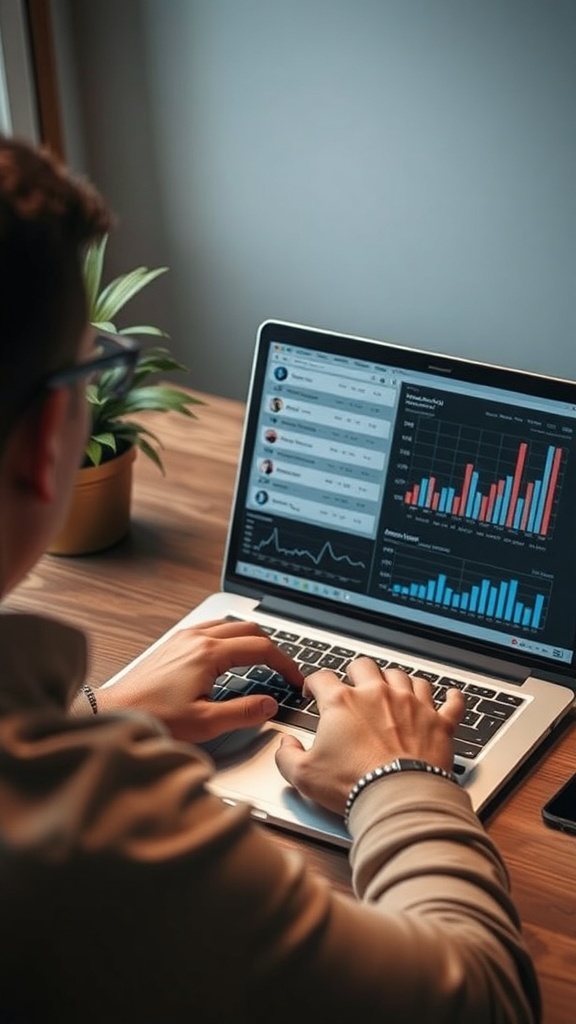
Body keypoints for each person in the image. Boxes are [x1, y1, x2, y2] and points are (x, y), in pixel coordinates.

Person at [0, 134, 539, 1024]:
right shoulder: (90, 840)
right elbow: (482, 1003)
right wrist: (400, 779)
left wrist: (92, 723)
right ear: (48, 430)